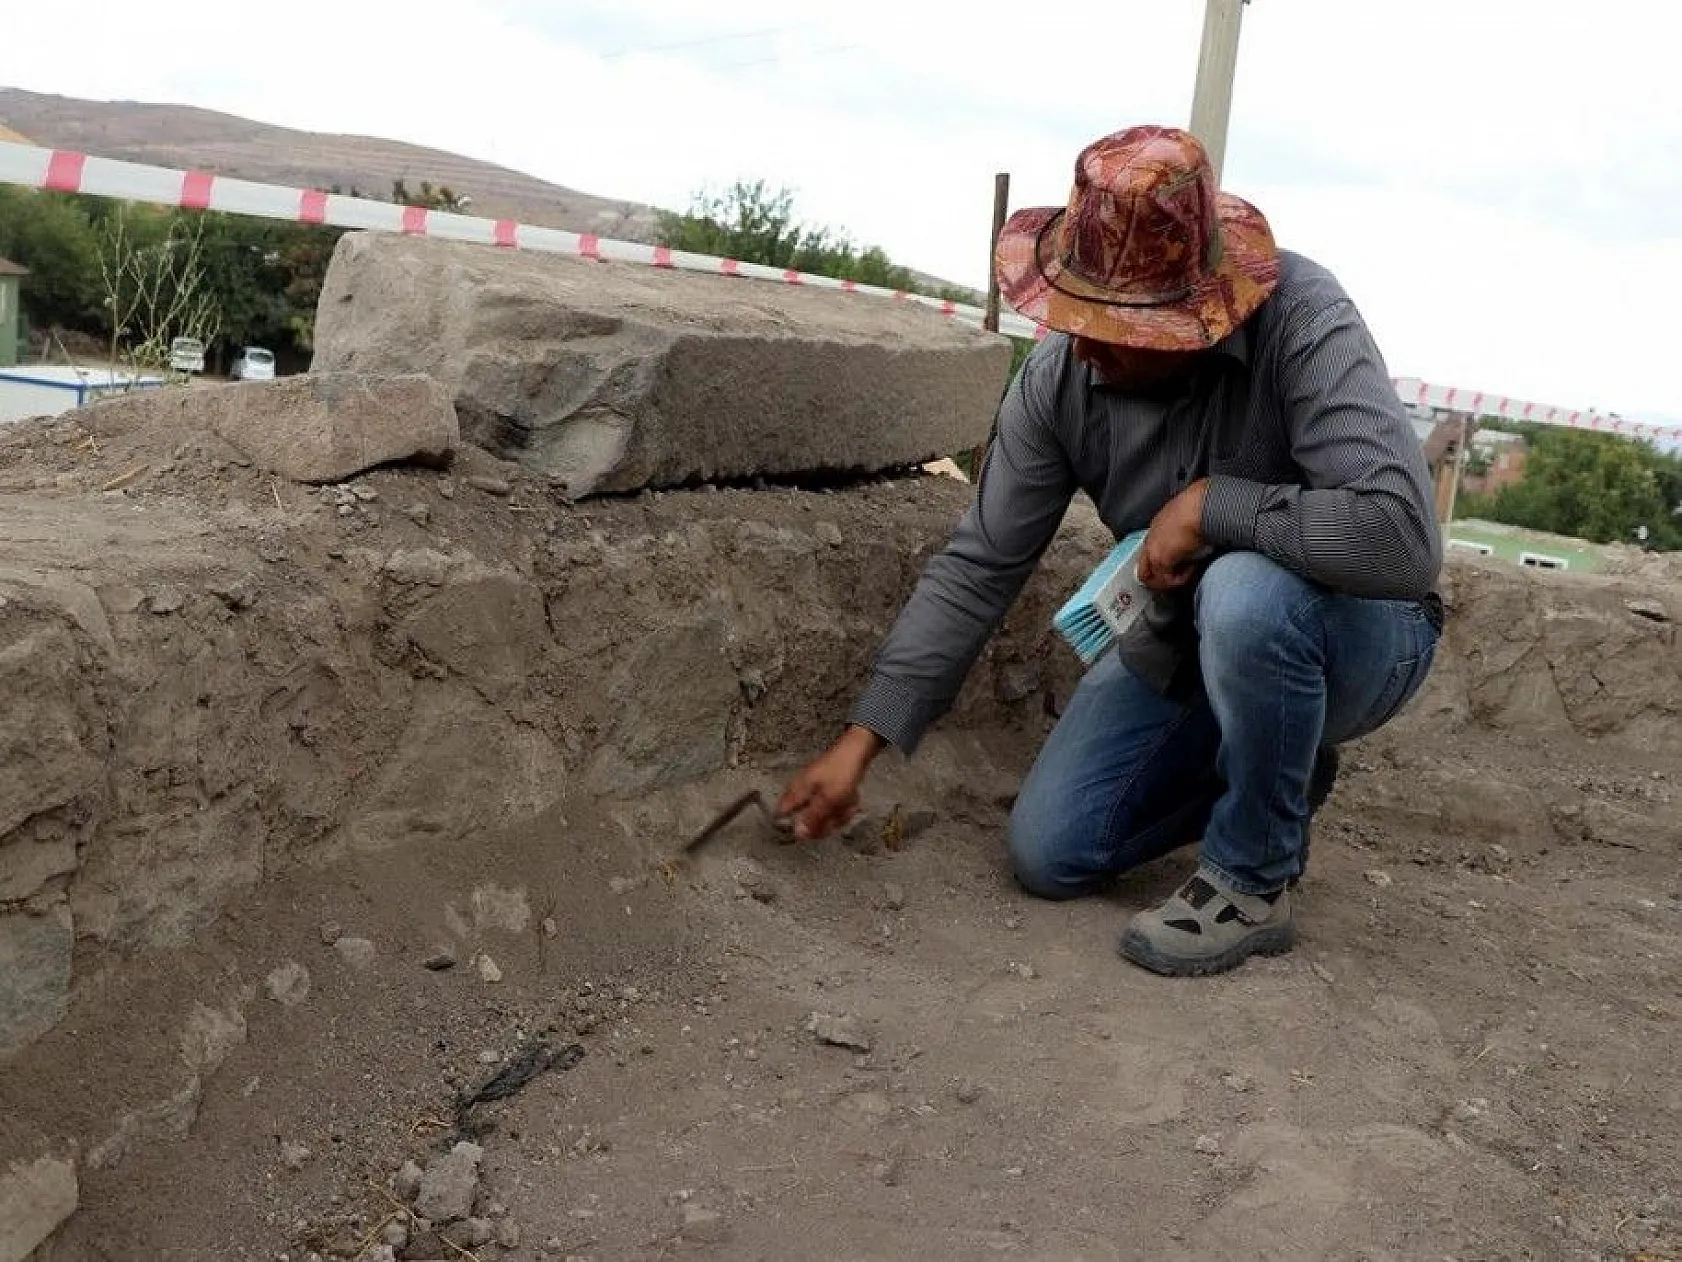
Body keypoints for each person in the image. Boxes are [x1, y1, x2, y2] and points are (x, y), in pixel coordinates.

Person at [777, 124, 1444, 977]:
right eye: (1074, 311)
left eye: (1115, 323)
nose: (1081, 341)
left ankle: (1253, 876)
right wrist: (861, 742)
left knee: (1245, 588)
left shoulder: (1303, 322)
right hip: (1185, 638)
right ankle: (1281, 765)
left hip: (1359, 637)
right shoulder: (1061, 378)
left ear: (1191, 317)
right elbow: (983, 563)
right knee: (1050, 852)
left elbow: (1400, 541)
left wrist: (1215, 507)